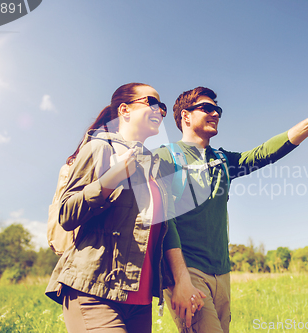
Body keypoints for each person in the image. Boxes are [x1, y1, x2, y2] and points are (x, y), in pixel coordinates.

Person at [155, 87, 308, 332]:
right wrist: (179, 280)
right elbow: (159, 220)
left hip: (222, 274)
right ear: (185, 116)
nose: (215, 113)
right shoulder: (165, 157)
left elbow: (264, 153)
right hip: (187, 272)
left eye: (218, 110)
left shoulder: (223, 160)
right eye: (207, 108)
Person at [45, 83, 204, 332]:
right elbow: (66, 214)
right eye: (151, 103)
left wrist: (182, 280)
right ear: (124, 110)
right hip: (94, 291)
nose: (160, 111)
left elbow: (166, 230)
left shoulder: (154, 166)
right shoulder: (100, 148)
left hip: (139, 301)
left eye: (162, 107)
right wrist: (109, 180)